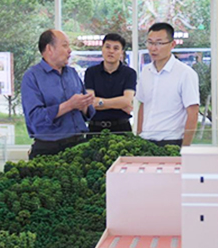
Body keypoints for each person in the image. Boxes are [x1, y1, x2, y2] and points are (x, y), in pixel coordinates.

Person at [21, 29, 94, 159]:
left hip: (79, 145)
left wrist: (84, 105)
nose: (70, 50)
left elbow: (88, 113)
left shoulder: (72, 73)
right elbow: (35, 118)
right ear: (50, 49)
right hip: (49, 150)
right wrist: (69, 105)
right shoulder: (32, 77)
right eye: (65, 45)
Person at [136, 22, 200, 146]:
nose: (153, 48)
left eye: (159, 43)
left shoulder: (185, 73)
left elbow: (193, 112)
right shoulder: (145, 72)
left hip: (171, 142)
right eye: (150, 42)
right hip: (145, 141)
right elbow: (143, 105)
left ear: (172, 44)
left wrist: (185, 148)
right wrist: (138, 137)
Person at [84, 33, 136, 133]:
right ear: (102, 49)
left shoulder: (129, 73)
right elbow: (90, 103)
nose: (111, 51)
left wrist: (100, 102)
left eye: (116, 48)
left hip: (121, 127)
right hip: (95, 127)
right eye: (107, 47)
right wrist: (119, 103)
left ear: (121, 52)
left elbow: (127, 101)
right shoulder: (91, 72)